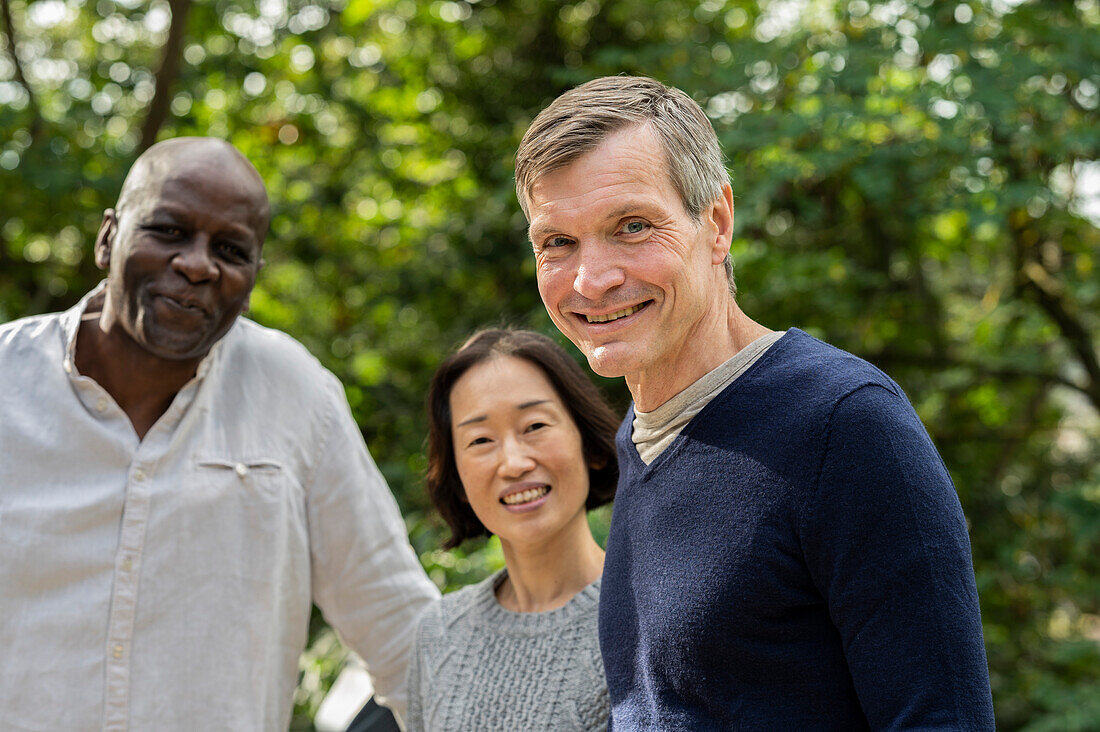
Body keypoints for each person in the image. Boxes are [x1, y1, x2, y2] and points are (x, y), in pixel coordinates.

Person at [514, 76, 996, 729]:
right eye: (557, 243)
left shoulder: (844, 422)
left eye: (631, 226)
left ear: (716, 223)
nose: (591, 279)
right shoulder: (640, 436)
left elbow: (942, 719)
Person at [0, 137, 438, 730]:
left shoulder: (296, 396)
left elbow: (398, 625)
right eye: (170, 231)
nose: (198, 264)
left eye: (230, 249)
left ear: (253, 275)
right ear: (108, 238)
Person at [405, 329, 619, 731]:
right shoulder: (439, 633)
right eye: (481, 439)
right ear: (458, 477)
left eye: (534, 426)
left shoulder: (649, 623)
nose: (514, 463)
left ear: (587, 443)